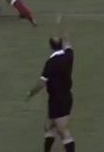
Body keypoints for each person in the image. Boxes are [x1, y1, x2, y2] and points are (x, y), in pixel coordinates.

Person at [27, 14, 76, 152]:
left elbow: (41, 83)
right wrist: (62, 27)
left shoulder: (51, 63)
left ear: (50, 47)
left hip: (58, 99)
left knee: (63, 130)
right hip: (63, 97)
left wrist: (31, 93)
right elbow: (67, 42)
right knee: (48, 126)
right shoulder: (69, 56)